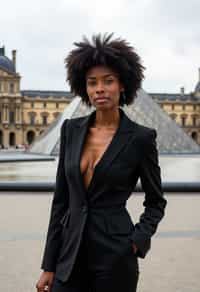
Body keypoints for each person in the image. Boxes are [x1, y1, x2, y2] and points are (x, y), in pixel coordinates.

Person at [36, 33, 167, 292]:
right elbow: (61, 201)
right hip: (69, 254)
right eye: (92, 82)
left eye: (108, 81)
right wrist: (48, 264)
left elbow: (156, 201)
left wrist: (138, 240)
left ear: (122, 85)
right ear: (83, 88)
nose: (99, 89)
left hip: (116, 255)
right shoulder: (70, 130)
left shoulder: (141, 138)